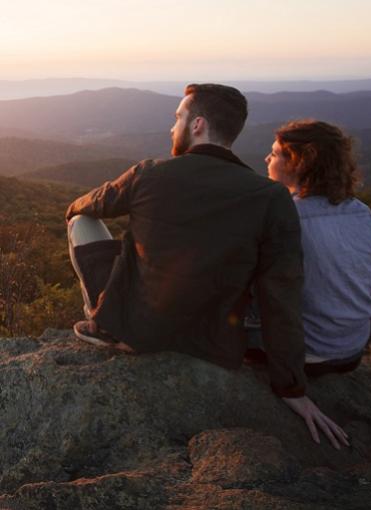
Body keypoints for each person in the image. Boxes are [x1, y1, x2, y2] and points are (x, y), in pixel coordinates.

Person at [66, 85, 349, 449]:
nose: (173, 128)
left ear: (197, 124)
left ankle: (101, 318)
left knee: (81, 223)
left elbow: (81, 207)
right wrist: (291, 387)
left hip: (136, 334)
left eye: (178, 119)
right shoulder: (272, 197)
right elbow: (280, 296)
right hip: (213, 345)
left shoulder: (148, 173)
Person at [246, 119, 371, 377]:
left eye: (275, 153)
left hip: (307, 352)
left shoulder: (283, 217)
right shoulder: (362, 213)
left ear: (298, 162)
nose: (267, 159)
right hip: (353, 348)